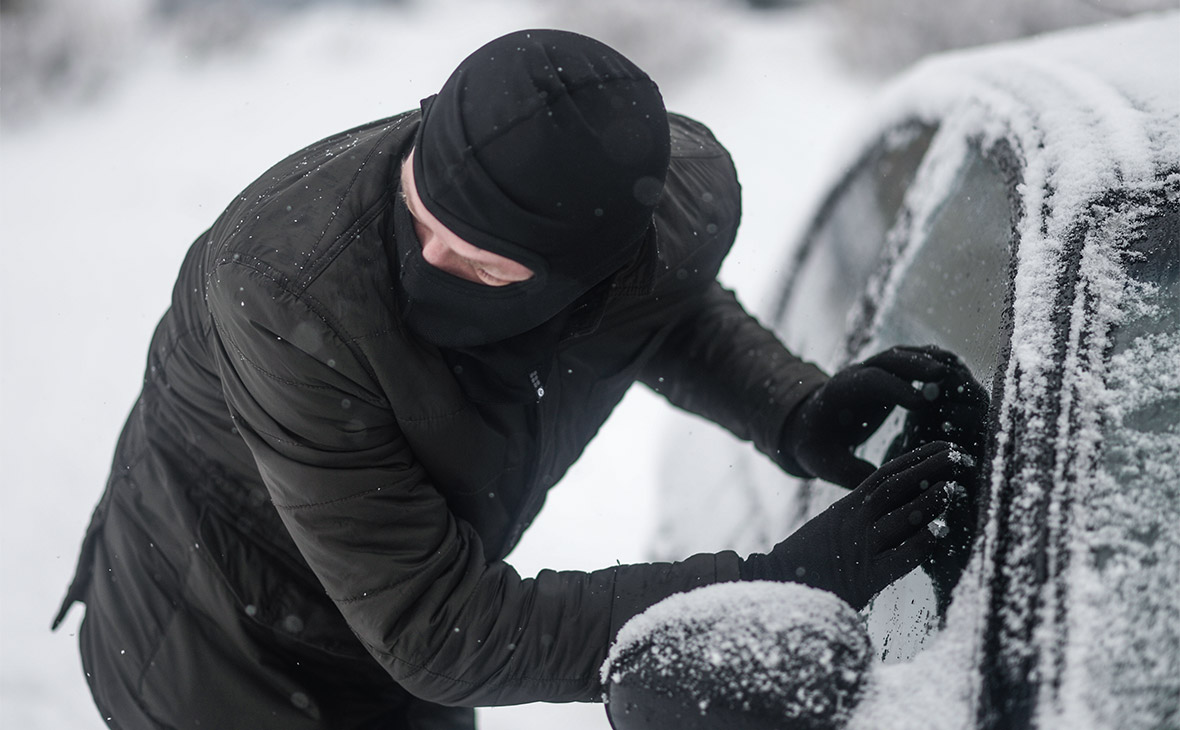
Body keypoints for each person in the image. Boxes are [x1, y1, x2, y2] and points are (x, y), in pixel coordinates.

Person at [53, 29, 984, 730]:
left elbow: (659, 306)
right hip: (220, 648)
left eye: (478, 262)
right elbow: (435, 630)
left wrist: (793, 409)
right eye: (419, 214)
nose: (427, 253)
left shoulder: (667, 204)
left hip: (411, 629)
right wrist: (762, 588)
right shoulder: (286, 296)